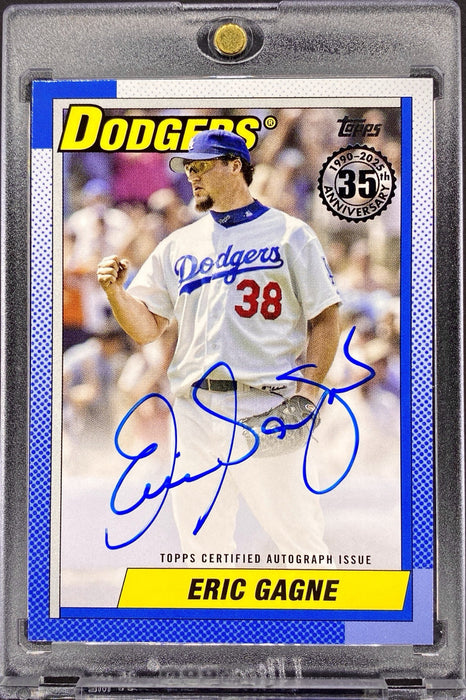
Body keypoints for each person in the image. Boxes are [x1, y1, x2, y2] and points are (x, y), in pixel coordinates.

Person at [97, 129, 341, 561]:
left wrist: (308, 396)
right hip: (193, 410)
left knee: (299, 541)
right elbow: (148, 328)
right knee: (200, 547)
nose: (192, 175)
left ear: (234, 165)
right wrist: (117, 293)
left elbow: (324, 318)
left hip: (265, 404)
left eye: (202, 165)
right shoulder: (179, 244)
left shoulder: (290, 234)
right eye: (188, 168)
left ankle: (322, 607)